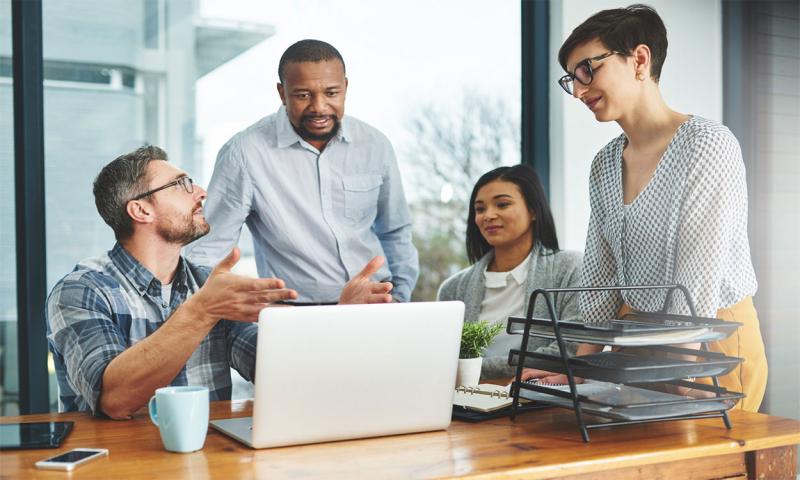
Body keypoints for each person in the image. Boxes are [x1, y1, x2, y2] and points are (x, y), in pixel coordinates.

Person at [524, 5, 767, 412]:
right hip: (635, 341)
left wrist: (685, 366)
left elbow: (698, 275)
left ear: (639, 59)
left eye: (588, 70)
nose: (580, 91)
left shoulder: (706, 145)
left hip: (711, 343)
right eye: (572, 79)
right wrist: (580, 366)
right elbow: (600, 281)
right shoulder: (604, 164)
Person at [46, 146, 394, 420]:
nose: (200, 192)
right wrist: (202, 311)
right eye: (181, 185)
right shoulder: (82, 290)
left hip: (206, 465)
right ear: (140, 211)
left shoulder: (207, 286)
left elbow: (287, 372)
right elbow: (116, 400)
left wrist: (343, 317)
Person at [186, 39, 418, 303]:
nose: (319, 107)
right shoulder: (245, 153)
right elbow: (207, 250)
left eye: (331, 93)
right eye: (303, 95)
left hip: (379, 303)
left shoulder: (375, 145)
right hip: (298, 314)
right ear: (282, 93)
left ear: (345, 88)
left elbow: (396, 230)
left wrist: (399, 296)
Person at [437, 165, 582, 380]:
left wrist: (477, 369)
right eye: (479, 209)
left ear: (533, 210)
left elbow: (572, 347)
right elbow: (442, 360)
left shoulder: (571, 268)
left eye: (502, 204)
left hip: (537, 399)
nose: (488, 215)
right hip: (467, 401)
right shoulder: (453, 289)